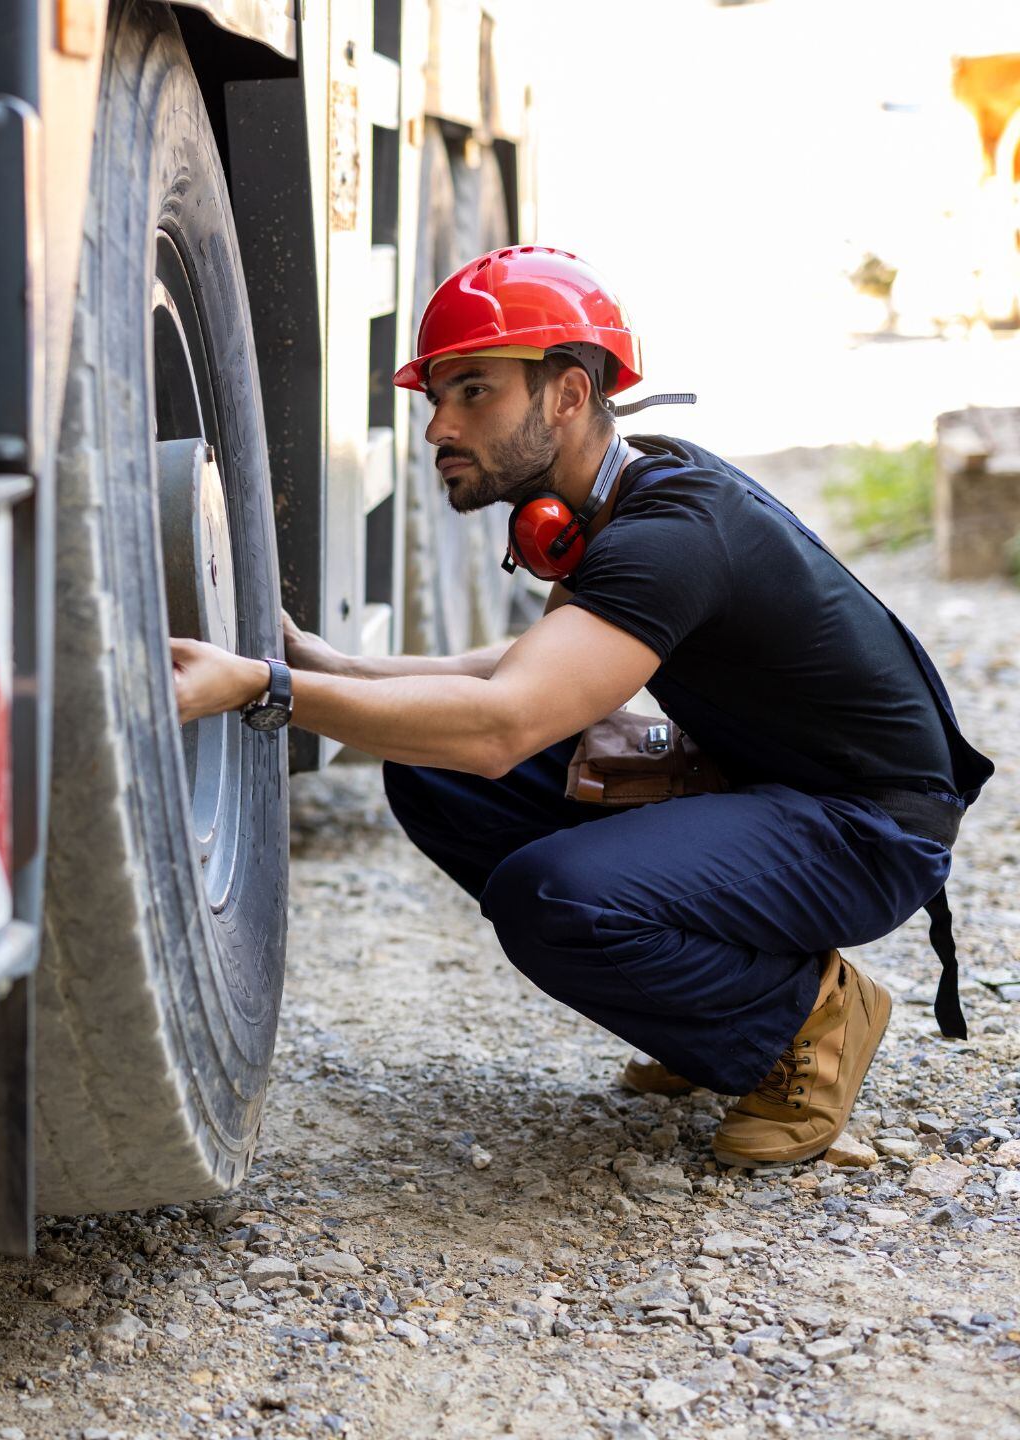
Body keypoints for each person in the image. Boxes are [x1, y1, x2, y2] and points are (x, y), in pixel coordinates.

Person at [170, 245, 993, 1167]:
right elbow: (527, 666)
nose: (438, 425)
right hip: (771, 789)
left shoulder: (667, 534)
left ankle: (804, 1018)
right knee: (437, 779)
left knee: (549, 894)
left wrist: (264, 690)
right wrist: (338, 667)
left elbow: (501, 725)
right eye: (435, 397)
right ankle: (707, 1009)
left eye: (473, 392)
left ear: (566, 394)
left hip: (865, 829)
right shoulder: (621, 499)